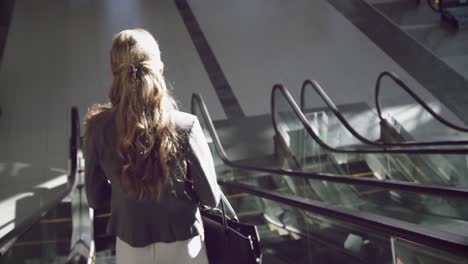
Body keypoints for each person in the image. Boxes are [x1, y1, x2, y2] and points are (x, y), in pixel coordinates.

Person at [84, 28, 220, 264]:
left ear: (114, 73)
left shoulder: (97, 127)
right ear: (160, 69)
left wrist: (126, 197)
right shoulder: (186, 125)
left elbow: (95, 199)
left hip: (130, 246)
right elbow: (210, 198)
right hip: (184, 243)